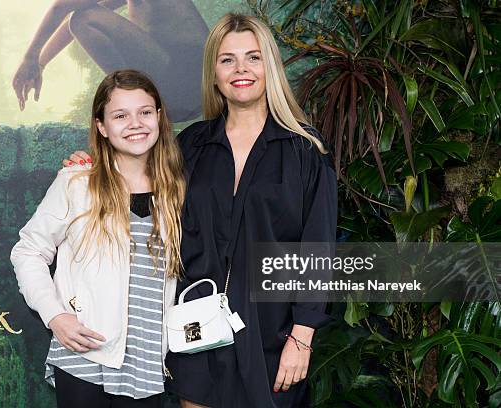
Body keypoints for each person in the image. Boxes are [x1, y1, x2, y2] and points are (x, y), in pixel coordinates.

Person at [65, 13, 338, 408]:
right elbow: (134, 187)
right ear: (213, 73)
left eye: (253, 58)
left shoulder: (305, 151)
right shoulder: (189, 145)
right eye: (228, 60)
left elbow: (317, 250)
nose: (241, 69)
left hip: (273, 335)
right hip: (197, 330)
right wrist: (89, 169)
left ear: (270, 68)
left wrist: (302, 336)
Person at [11, 69, 186, 408]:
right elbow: (28, 251)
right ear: (102, 127)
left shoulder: (176, 189)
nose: (135, 123)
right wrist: (55, 315)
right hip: (85, 355)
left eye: (145, 112)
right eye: (120, 115)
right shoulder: (77, 183)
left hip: (148, 362)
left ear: (160, 118)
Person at [12, 0, 209, 122]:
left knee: (84, 19)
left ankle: (132, 102)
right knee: (81, 18)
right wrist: (39, 64)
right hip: (181, 93)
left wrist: (29, 58)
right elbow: (71, 19)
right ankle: (136, 103)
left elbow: (63, 5)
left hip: (188, 78)